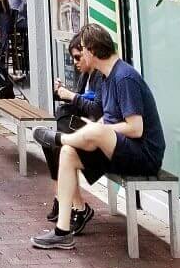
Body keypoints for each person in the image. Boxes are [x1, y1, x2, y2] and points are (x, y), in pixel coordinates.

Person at [32, 22, 166, 250]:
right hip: (118, 150)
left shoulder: (125, 77)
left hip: (142, 155)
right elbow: (107, 119)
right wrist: (90, 133)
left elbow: (136, 128)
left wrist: (98, 132)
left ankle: (59, 138)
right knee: (68, 153)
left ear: (93, 50)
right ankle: (62, 231)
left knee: (89, 132)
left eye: (82, 49)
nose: (80, 55)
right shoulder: (106, 77)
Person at [41, 33, 104, 229]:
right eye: (73, 58)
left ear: (89, 52)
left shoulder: (102, 76)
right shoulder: (86, 75)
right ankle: (63, 196)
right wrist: (63, 93)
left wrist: (72, 96)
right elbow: (81, 103)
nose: (75, 62)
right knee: (55, 138)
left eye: (78, 57)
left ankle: (71, 202)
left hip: (99, 135)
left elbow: (96, 109)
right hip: (86, 130)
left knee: (60, 139)